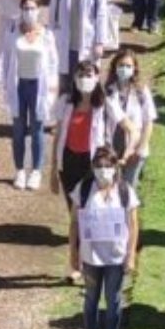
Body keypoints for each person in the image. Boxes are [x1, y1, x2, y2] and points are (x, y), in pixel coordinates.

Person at [68, 146, 139, 329]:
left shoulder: (125, 191)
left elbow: (133, 225)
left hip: (116, 258)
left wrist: (131, 256)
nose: (103, 170)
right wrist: (73, 254)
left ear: (115, 167)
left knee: (114, 300)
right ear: (92, 167)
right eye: (98, 166)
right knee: (91, 299)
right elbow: (73, 223)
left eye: (108, 166)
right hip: (90, 257)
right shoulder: (84, 188)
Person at [49, 61, 120, 282]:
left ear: (97, 77)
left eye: (89, 74)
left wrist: (125, 154)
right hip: (69, 163)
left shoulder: (105, 103)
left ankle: (94, 264)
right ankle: (76, 265)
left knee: (91, 215)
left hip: (92, 167)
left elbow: (128, 126)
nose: (84, 78)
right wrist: (53, 169)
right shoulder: (66, 102)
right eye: (80, 74)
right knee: (75, 216)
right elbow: (58, 135)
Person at [1, 0, 59, 190]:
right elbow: (7, 59)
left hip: (38, 87)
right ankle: (19, 170)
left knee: (37, 129)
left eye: (33, 8)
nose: (29, 12)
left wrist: (52, 87)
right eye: (26, 8)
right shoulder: (12, 31)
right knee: (18, 129)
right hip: (19, 86)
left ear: (39, 10)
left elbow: (53, 63)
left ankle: (36, 170)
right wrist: (5, 86)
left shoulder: (47, 35)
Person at [50, 0, 109, 92]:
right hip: (66, 44)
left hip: (87, 43)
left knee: (86, 87)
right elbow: (53, 13)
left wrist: (100, 42)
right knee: (65, 86)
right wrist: (50, 38)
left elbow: (101, 15)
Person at [104, 50, 157, 186]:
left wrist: (139, 149)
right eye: (121, 65)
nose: (124, 69)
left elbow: (148, 121)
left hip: (135, 149)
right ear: (114, 67)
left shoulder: (141, 91)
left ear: (134, 69)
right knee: (109, 187)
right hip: (112, 149)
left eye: (128, 66)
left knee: (128, 190)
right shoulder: (108, 91)